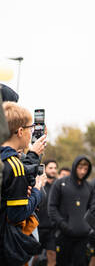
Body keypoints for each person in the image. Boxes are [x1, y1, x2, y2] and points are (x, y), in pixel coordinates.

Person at [0, 101, 47, 265]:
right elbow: (17, 214)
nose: (32, 132)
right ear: (20, 131)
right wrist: (37, 191)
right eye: (30, 128)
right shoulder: (15, 167)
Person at [48, 155, 93, 266]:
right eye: (80, 168)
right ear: (74, 167)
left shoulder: (89, 187)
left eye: (85, 169)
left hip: (83, 236)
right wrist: (63, 225)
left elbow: (92, 209)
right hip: (63, 235)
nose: (82, 172)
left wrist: (88, 227)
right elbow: (52, 207)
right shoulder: (60, 183)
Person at [37, 159, 58, 266]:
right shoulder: (38, 184)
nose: (53, 170)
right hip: (37, 227)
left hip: (51, 229)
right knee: (33, 256)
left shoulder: (58, 186)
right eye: (50, 168)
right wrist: (40, 184)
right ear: (44, 169)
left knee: (52, 255)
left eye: (55, 168)